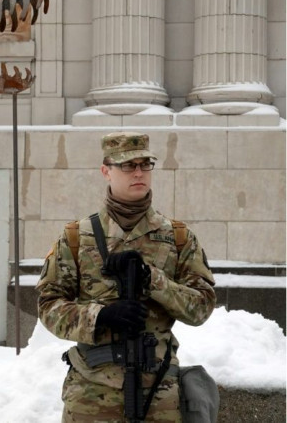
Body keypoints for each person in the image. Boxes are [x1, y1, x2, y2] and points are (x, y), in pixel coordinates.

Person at [36, 132, 216, 422]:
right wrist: (100, 316)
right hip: (91, 393)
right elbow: (48, 306)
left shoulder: (178, 237)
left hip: (158, 391)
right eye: (128, 166)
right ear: (106, 171)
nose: (138, 173)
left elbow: (201, 309)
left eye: (145, 165)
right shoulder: (76, 238)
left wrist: (152, 281)